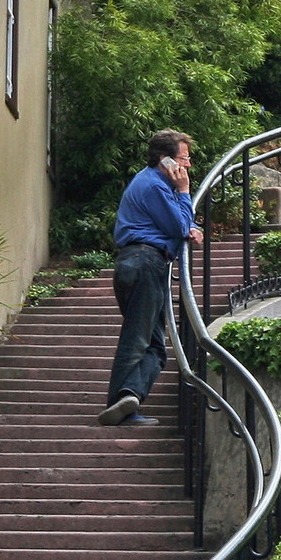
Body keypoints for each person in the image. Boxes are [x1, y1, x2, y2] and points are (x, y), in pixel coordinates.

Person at [99, 129, 204, 427]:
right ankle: (118, 404)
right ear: (166, 159)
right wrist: (184, 193)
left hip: (141, 262)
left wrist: (186, 224)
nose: (188, 167)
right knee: (139, 338)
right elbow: (178, 225)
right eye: (185, 159)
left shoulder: (154, 183)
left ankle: (129, 396)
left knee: (156, 347)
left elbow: (181, 225)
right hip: (145, 262)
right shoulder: (155, 185)